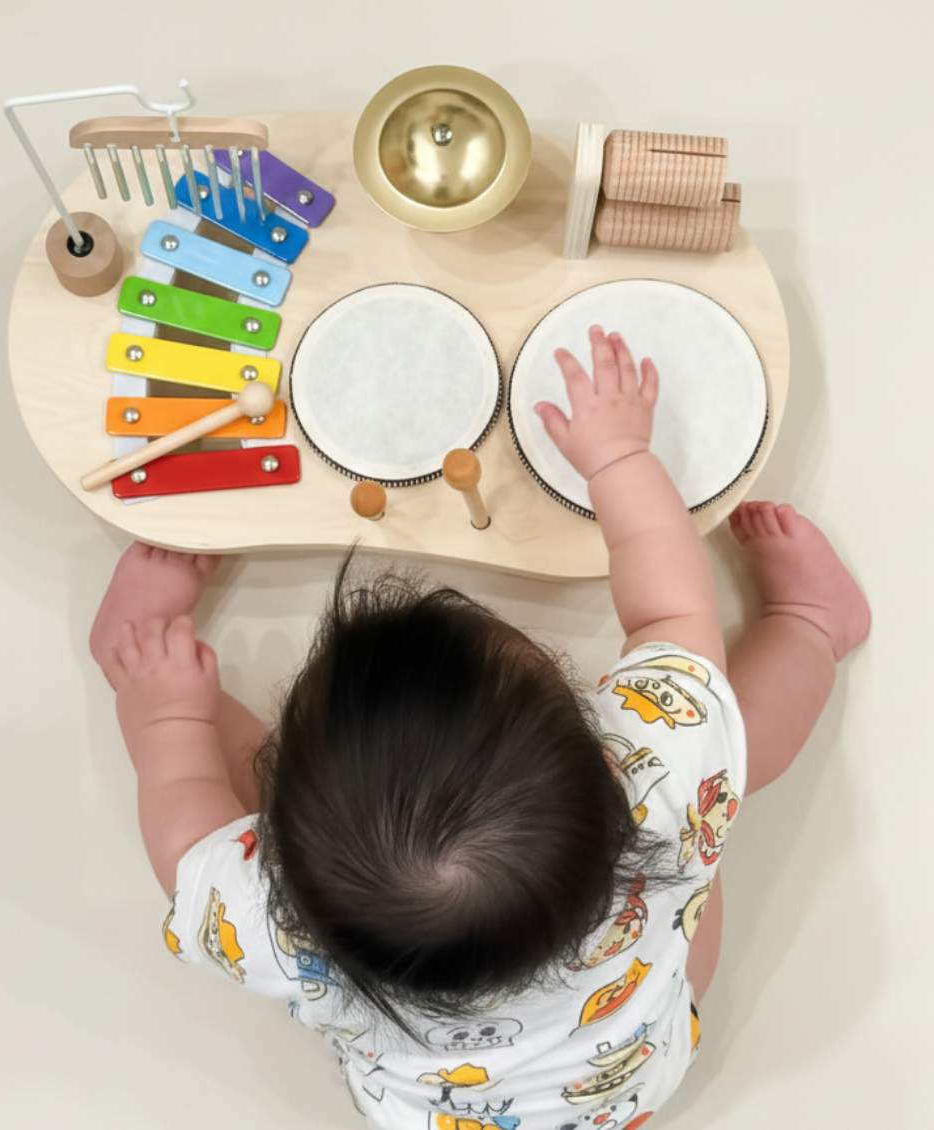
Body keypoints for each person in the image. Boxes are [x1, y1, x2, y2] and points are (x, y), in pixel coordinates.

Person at [90, 330, 870, 1130]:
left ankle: (142, 657)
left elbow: (185, 835)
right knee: (713, 751)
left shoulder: (270, 928)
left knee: (195, 736)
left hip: (455, 1115)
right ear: (604, 759)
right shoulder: (651, 776)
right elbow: (669, 606)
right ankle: (815, 624)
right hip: (635, 1066)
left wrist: (170, 713)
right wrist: (618, 458)